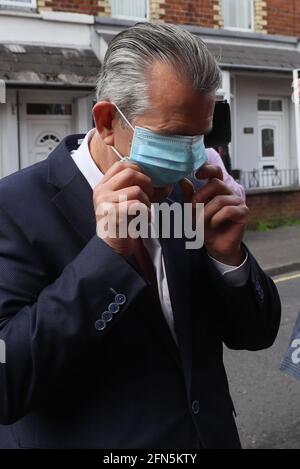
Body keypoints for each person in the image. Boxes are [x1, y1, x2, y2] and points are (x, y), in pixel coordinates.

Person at [0, 23, 280, 449]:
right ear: (108, 120)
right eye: (171, 137)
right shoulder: (14, 208)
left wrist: (229, 258)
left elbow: (255, 335)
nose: (190, 155)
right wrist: (106, 256)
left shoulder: (181, 198)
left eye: (198, 136)